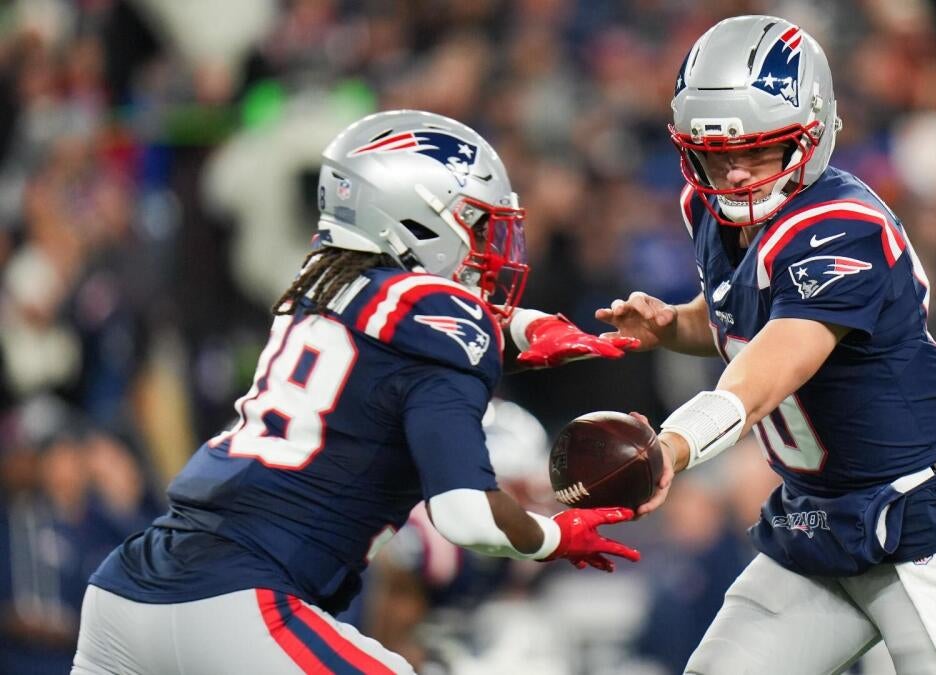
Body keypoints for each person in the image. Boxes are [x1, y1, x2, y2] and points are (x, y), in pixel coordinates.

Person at [71, 110, 640, 675]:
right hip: (239, 603)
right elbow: (465, 514)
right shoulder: (443, 318)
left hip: (126, 593)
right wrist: (551, 536)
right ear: (416, 219)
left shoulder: (323, 284)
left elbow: (415, 331)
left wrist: (528, 328)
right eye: (476, 224)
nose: (489, 248)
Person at [598, 16, 936, 674]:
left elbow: (776, 361)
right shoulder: (708, 213)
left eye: (758, 151)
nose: (734, 174)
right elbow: (743, 319)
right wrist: (674, 324)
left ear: (812, 130)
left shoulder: (841, 226)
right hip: (814, 525)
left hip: (924, 526)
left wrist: (676, 444)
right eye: (716, 153)